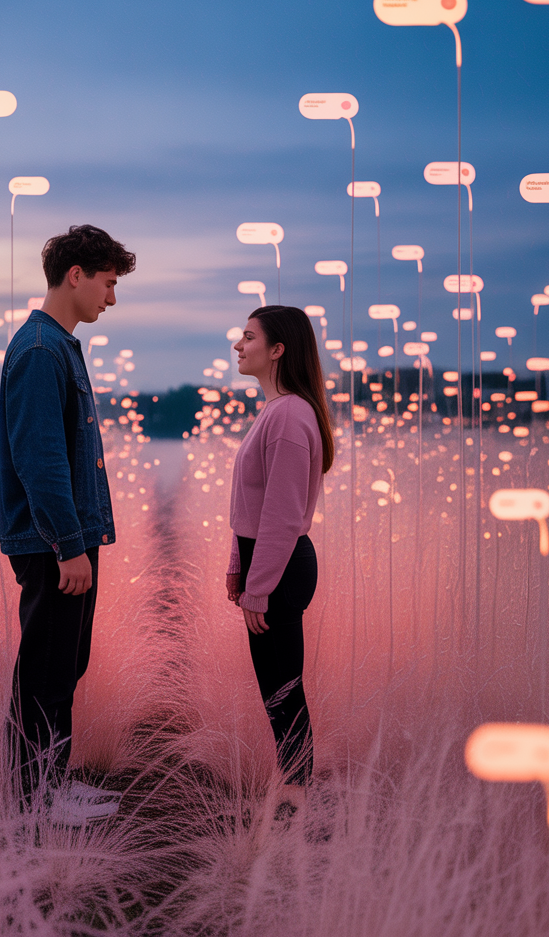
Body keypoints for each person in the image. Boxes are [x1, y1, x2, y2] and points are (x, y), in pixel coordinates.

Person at [0, 224, 136, 824]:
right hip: (56, 544)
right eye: (107, 284)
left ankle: (52, 784)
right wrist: (68, 546)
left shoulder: (55, 345)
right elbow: (42, 459)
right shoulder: (38, 351)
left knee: (63, 663)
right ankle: (34, 801)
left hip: (67, 540)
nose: (111, 299)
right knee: (46, 668)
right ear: (75, 276)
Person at [226, 305, 334, 812]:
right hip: (266, 563)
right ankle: (292, 788)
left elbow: (282, 516)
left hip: (281, 566)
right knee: (277, 687)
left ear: (277, 349)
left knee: (283, 689)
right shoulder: (276, 411)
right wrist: (237, 565)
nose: (238, 345)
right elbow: (250, 502)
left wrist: (258, 585)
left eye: (248, 337)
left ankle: (294, 797)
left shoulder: (290, 415)